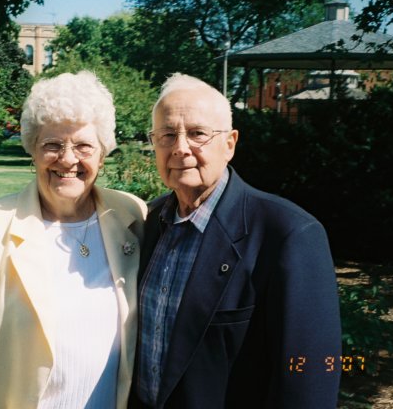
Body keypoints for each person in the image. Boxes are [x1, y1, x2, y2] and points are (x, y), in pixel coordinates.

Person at [0, 71, 147, 408]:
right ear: (33, 150)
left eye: (83, 146)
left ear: (102, 154)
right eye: (52, 145)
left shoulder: (130, 216)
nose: (68, 159)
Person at [130, 73, 342, 408]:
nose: (180, 148)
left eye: (198, 134)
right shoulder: (146, 221)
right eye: (167, 135)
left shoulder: (288, 234)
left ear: (229, 144)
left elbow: (311, 373)